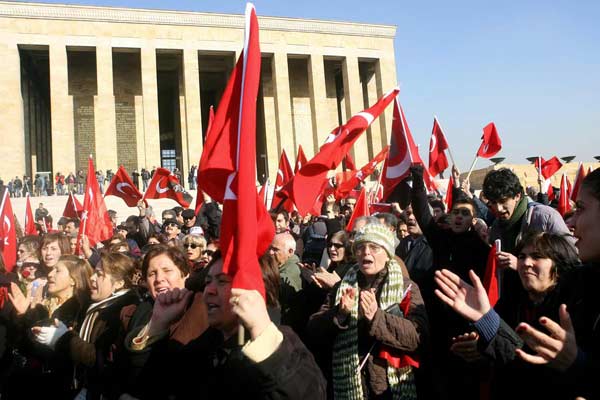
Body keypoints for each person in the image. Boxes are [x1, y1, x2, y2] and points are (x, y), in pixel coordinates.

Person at [142, 251, 327, 399]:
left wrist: (263, 336)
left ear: (254, 290)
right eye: (207, 282)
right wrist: (157, 326)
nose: (209, 291)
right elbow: (153, 386)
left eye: (222, 281)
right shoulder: (206, 346)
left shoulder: (284, 345)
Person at [434, 232, 580, 399]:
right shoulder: (513, 298)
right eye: (522, 256)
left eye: (537, 256)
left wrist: (488, 323)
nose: (526, 263)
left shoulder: (568, 310)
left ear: (558, 267)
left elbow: (530, 364)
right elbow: (501, 352)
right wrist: (481, 347)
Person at [507, 168, 600, 398]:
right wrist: (485, 323)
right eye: (522, 257)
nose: (572, 222)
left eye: (581, 208)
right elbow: (525, 356)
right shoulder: (578, 286)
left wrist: (578, 365)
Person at [307, 222, 428, 399]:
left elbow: (418, 337)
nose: (366, 252)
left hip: (388, 389)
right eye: (360, 247)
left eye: (374, 247)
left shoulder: (406, 288)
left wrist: (377, 317)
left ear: (387, 254)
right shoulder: (342, 286)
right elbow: (313, 330)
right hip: (348, 385)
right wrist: (339, 314)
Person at [35, 252, 139, 399]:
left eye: (99, 274)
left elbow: (100, 358)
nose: (92, 278)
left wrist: (64, 339)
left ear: (119, 283)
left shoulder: (123, 313)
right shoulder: (93, 306)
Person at [5, 255, 92, 399]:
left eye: (57, 271)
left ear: (73, 279)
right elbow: (24, 346)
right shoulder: (43, 307)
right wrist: (22, 316)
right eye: (51, 270)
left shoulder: (79, 312)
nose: (50, 274)